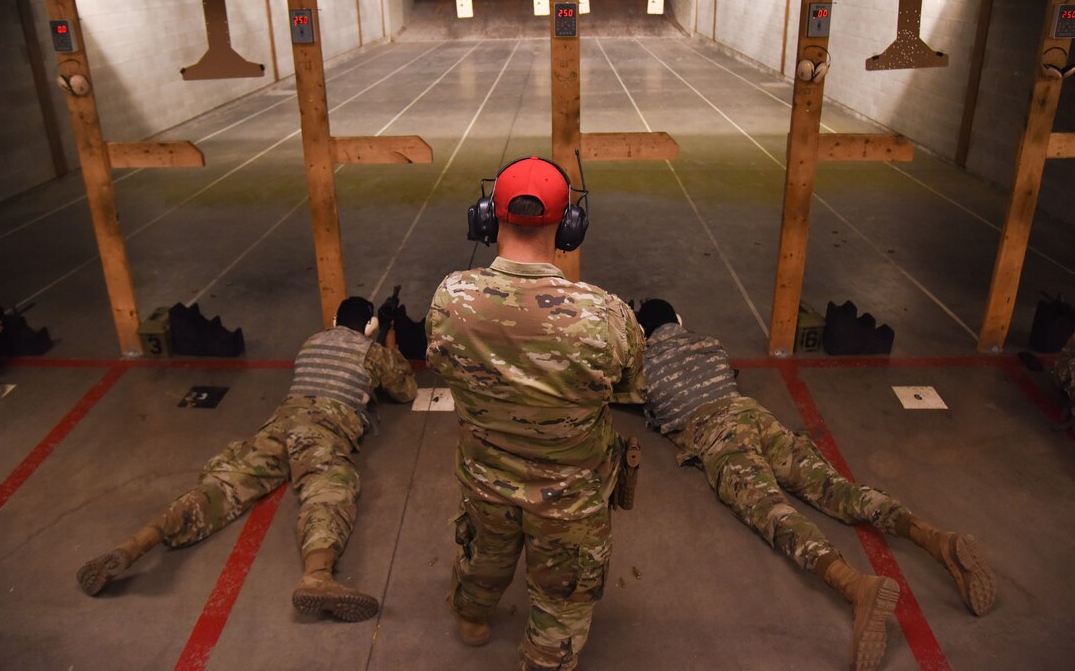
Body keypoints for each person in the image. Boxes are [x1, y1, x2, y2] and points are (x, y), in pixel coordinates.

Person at [633, 298, 995, 671]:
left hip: (718, 433)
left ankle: (855, 587)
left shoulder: (646, 366)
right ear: (679, 321)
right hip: (756, 416)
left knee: (773, 512)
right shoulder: (709, 344)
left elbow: (626, 394)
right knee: (836, 489)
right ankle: (935, 538)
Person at [426, 156, 644, 671]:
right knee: (563, 598)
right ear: (570, 225)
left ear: (487, 217)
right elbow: (630, 388)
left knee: (483, 558)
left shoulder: (451, 298)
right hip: (571, 495)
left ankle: (472, 621)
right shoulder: (605, 314)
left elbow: (441, 362)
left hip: (485, 477)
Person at [77, 296, 417, 622]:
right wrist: (390, 347)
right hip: (322, 428)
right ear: (370, 324)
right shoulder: (371, 352)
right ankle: (318, 577)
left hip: (280, 424)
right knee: (329, 492)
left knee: (222, 487)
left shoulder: (310, 342)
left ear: (333, 321)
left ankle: (135, 545)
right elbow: (404, 391)